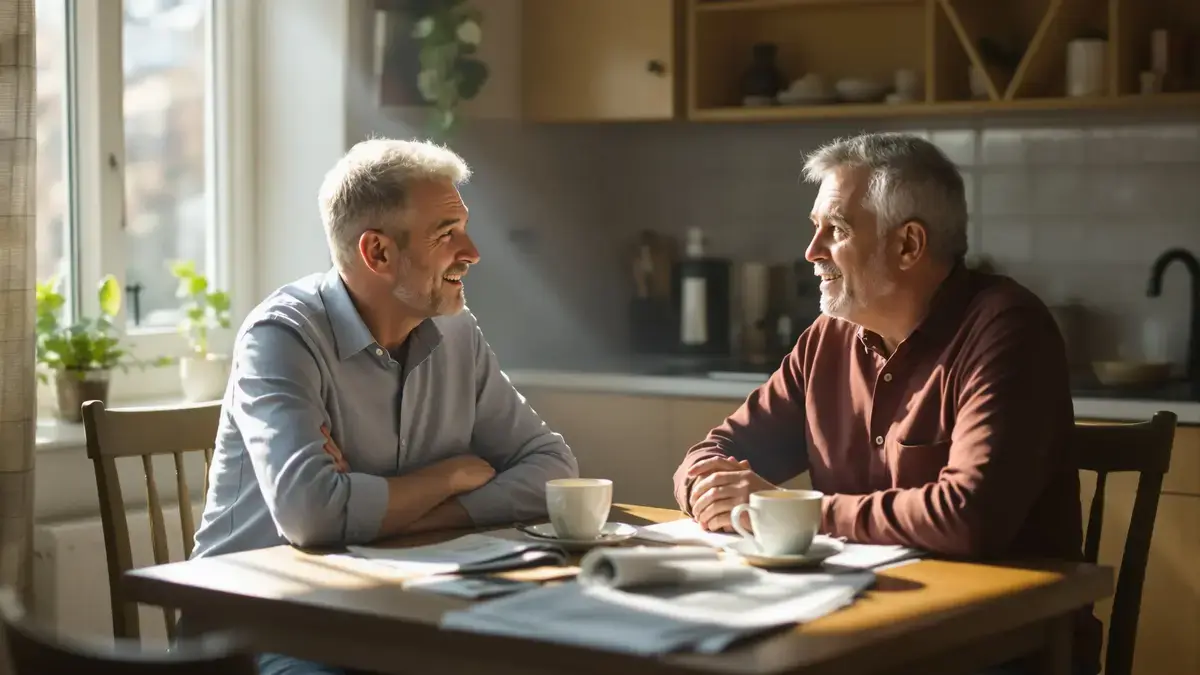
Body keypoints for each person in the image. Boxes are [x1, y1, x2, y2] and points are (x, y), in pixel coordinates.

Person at [671, 132, 1101, 675]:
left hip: (999, 649)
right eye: (815, 228)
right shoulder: (829, 337)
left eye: (838, 229)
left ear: (908, 245)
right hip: (863, 627)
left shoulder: (1006, 328)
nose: (811, 251)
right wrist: (706, 487)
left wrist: (793, 513)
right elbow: (716, 450)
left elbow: (968, 516)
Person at [190, 138, 579, 674]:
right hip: (257, 632)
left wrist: (394, 515)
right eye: (446, 235)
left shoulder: (456, 332)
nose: (472, 252)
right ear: (377, 252)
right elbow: (311, 515)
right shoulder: (281, 337)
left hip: (392, 615)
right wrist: (446, 477)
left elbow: (552, 469)